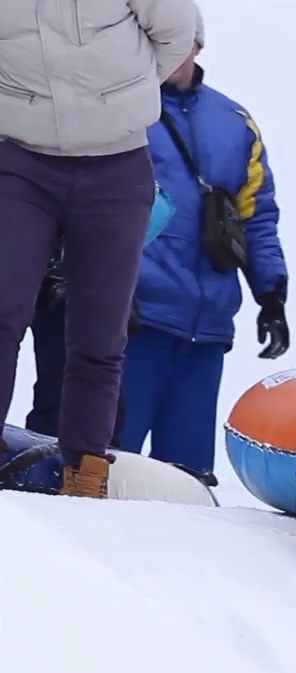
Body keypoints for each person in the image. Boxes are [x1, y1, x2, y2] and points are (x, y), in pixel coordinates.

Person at [0, 0, 196, 497]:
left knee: (99, 331)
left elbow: (177, 34)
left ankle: (84, 472)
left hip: (116, 164)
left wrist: (116, 100)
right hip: (21, 159)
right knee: (4, 308)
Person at [118, 8, 290, 475]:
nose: (168, 51)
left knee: (187, 479)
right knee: (110, 461)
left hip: (206, 331)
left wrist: (271, 296)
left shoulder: (237, 123)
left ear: (197, 44)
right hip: (136, 321)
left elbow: (257, 217)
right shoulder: (121, 108)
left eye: (177, 40)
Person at [26, 188, 177, 445]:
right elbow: (157, 203)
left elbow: (156, 204)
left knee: (78, 387)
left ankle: (74, 462)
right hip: (78, 269)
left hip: (72, 269)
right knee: (78, 386)